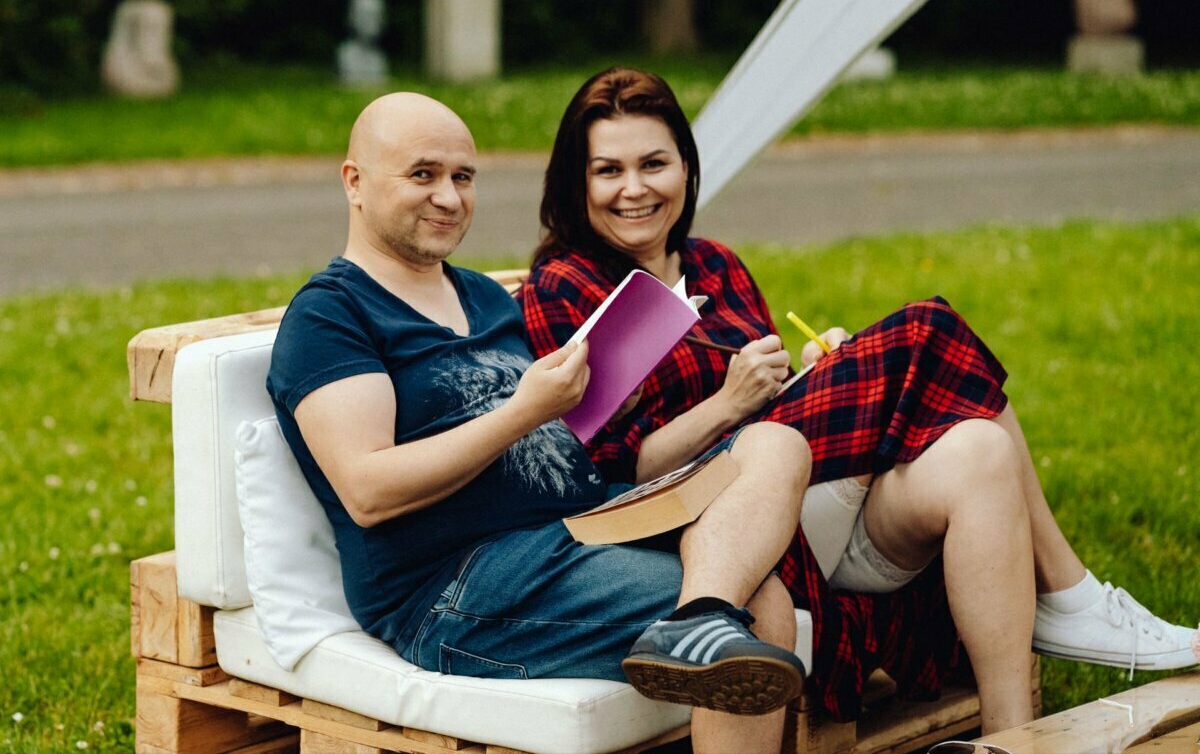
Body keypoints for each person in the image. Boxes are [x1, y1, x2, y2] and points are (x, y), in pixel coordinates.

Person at [518, 67, 1200, 733]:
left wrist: (814, 375)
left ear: (687, 170)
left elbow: (770, 407)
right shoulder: (566, 288)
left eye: (653, 164)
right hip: (709, 522)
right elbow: (607, 480)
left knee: (980, 449)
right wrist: (728, 405)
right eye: (608, 170)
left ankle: (1010, 731)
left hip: (796, 488)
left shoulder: (716, 265)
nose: (633, 189)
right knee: (928, 334)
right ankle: (1071, 594)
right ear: (576, 183)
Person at [266, 91, 828, 752]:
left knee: (774, 445)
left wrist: (583, 412)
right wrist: (525, 411)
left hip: (580, 526)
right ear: (354, 182)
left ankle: (696, 619)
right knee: (758, 605)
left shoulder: (478, 294)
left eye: (463, 177)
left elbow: (531, 435)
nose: (448, 197)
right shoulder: (333, 315)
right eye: (423, 174)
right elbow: (367, 490)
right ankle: (702, 619)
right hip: (459, 587)